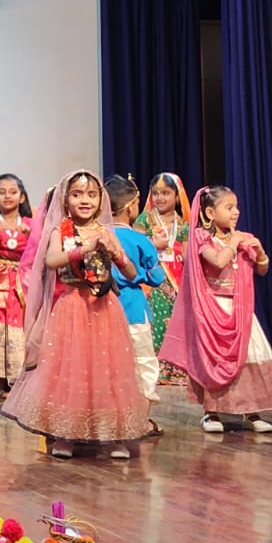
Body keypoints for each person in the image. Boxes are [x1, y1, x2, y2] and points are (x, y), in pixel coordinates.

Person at [2, 170, 149, 459]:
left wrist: (117, 254)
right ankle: (65, 434)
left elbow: (132, 273)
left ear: (101, 200)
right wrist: (85, 249)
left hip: (105, 308)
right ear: (65, 199)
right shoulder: (61, 230)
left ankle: (113, 435)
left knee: (107, 370)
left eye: (92, 195)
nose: (85, 200)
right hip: (72, 307)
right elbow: (52, 260)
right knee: (71, 369)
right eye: (77, 194)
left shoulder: (106, 232)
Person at [159, 186, 272, 433]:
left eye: (236, 207)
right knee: (214, 361)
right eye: (229, 207)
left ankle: (251, 412)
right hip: (212, 309)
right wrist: (234, 244)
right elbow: (217, 261)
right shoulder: (201, 237)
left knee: (248, 357)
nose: (236, 212)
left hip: (240, 310)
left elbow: (262, 269)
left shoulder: (242, 238)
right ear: (209, 213)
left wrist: (260, 251)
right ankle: (211, 413)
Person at [106, 174, 166, 416]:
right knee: (143, 362)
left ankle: (109, 414)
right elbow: (157, 277)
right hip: (133, 308)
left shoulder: (97, 235)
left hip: (103, 307)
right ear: (130, 206)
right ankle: (141, 417)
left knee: (108, 361)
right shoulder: (140, 240)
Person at [134, 172, 190, 382]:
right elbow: (135, 246)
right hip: (151, 279)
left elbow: (187, 256)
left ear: (177, 196)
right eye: (155, 193)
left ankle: (174, 369)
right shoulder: (145, 219)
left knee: (174, 322)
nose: (160, 198)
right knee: (154, 321)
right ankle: (153, 368)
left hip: (176, 281)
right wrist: (153, 243)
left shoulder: (183, 224)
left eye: (165, 193)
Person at [0, 173, 33, 400]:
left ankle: (21, 378)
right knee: (1, 330)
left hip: (24, 282)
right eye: (2, 192)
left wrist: (32, 236)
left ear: (22, 197)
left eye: (13, 192)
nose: (7, 196)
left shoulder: (31, 225)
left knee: (21, 328)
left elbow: (39, 251)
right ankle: (2, 381)